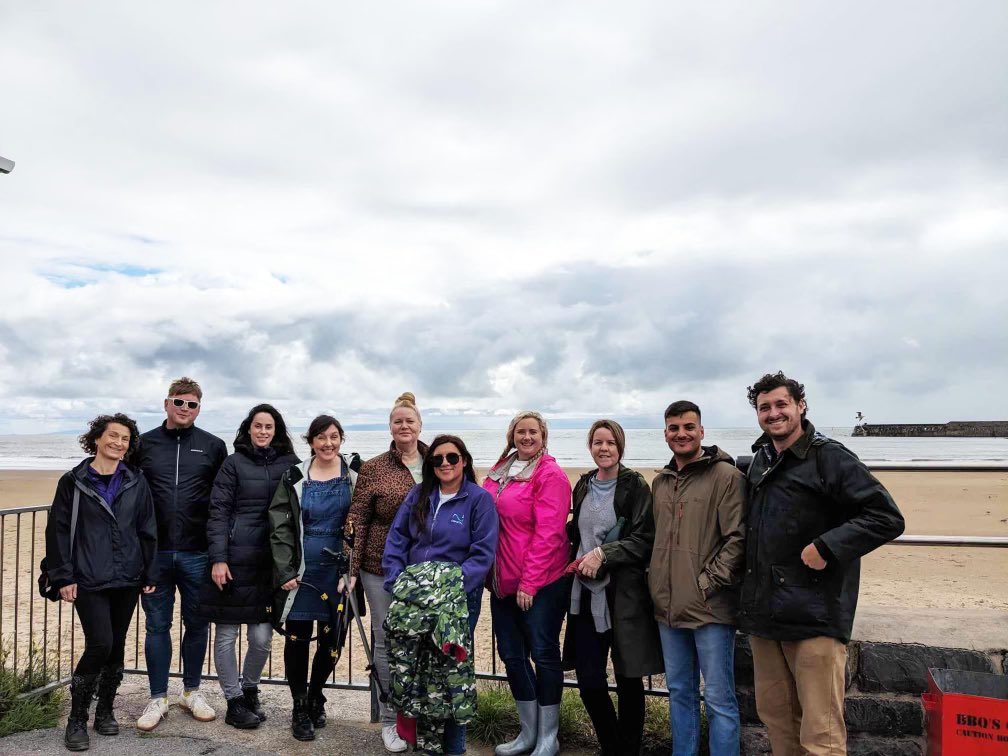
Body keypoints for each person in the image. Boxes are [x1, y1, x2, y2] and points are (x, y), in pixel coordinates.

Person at [741, 372, 905, 756]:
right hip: (766, 617)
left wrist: (827, 546)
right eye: (765, 407)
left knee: (821, 735)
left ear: (800, 406)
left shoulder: (829, 456)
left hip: (815, 616)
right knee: (778, 721)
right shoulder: (762, 460)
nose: (773, 413)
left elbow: (886, 517)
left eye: (781, 404)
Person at [44, 413, 157, 751]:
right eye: (112, 436)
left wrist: (150, 572)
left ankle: (105, 711)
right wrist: (63, 575)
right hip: (89, 577)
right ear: (96, 438)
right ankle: (77, 718)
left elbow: (147, 529)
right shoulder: (73, 481)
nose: (118, 443)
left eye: (125, 438)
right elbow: (58, 531)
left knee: (117, 644)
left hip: (127, 577)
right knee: (100, 643)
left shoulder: (136, 481)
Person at [383, 434, 499, 755]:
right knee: (419, 671)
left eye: (452, 457)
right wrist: (396, 581)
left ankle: (455, 748)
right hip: (414, 597)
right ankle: (426, 746)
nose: (445, 464)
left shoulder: (478, 500)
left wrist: (452, 586)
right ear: (431, 465)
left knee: (452, 672)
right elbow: (397, 540)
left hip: (457, 600)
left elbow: (483, 552)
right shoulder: (418, 496)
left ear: (464, 461)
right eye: (437, 459)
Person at [562, 420, 663, 756]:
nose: (603, 448)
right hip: (585, 596)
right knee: (589, 682)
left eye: (610, 442)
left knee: (628, 679)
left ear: (620, 446)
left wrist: (604, 553)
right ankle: (613, 745)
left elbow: (644, 539)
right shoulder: (583, 484)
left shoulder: (635, 486)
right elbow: (577, 534)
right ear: (590, 447)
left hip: (622, 598)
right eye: (597, 442)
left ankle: (628, 749)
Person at [650, 401, 746, 756]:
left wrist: (707, 583)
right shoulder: (661, 482)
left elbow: (737, 539)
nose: (681, 434)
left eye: (688, 427)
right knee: (679, 692)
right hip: (668, 606)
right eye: (674, 428)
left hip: (711, 607)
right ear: (665, 434)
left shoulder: (727, 477)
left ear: (702, 431)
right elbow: (655, 540)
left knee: (719, 698)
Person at [199, 404, 300, 729]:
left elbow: (306, 501)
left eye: (269, 427)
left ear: (277, 431)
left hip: (270, 564)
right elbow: (218, 512)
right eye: (258, 426)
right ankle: (234, 700)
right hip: (232, 561)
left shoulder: (290, 464)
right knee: (226, 634)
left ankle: (250, 687)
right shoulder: (233, 464)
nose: (263, 431)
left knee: (261, 637)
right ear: (248, 429)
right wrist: (218, 557)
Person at [135, 377, 227, 731]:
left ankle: (191, 692)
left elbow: (223, 501)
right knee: (157, 625)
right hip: (155, 554)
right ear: (166, 403)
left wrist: (220, 551)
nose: (185, 409)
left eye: (192, 404)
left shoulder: (213, 446)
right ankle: (157, 697)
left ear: (199, 408)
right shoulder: (144, 444)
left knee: (197, 624)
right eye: (179, 402)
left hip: (197, 553)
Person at [483, 411, 572, 756]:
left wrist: (530, 583)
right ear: (512, 435)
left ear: (543, 436)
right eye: (521, 431)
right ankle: (528, 733)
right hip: (502, 583)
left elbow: (550, 533)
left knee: (543, 653)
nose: (527, 437)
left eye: (533, 431)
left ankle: (549, 736)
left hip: (540, 583)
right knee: (511, 656)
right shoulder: (501, 469)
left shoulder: (550, 475)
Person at [268, 415, 360, 742]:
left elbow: (362, 524)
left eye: (334, 436)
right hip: (302, 571)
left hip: (339, 573)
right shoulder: (295, 476)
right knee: (296, 639)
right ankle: (298, 706)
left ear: (341, 438)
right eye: (321, 437)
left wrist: (352, 571)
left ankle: (315, 694)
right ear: (311, 441)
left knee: (333, 640)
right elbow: (279, 527)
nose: (328, 443)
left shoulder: (354, 475)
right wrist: (285, 570)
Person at [345, 391, 427, 753]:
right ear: (390, 428)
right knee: (386, 642)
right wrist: (350, 568)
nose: (404, 426)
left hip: (427, 571)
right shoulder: (375, 468)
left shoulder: (440, 459)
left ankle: (420, 716)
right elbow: (357, 519)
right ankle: (392, 719)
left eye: (410, 420)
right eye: (398, 421)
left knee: (423, 642)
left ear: (419, 425)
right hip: (378, 568)